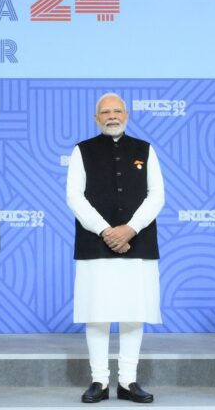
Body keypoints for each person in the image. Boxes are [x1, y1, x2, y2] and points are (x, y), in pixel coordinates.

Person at [66, 93, 164, 404]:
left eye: (117, 111)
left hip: (139, 241)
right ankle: (98, 381)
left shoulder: (145, 150)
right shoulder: (82, 150)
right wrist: (106, 230)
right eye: (105, 112)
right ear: (96, 118)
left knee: (134, 313)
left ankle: (128, 381)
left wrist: (131, 228)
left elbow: (157, 195)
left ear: (127, 115)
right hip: (95, 242)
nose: (112, 116)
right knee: (97, 314)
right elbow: (74, 197)